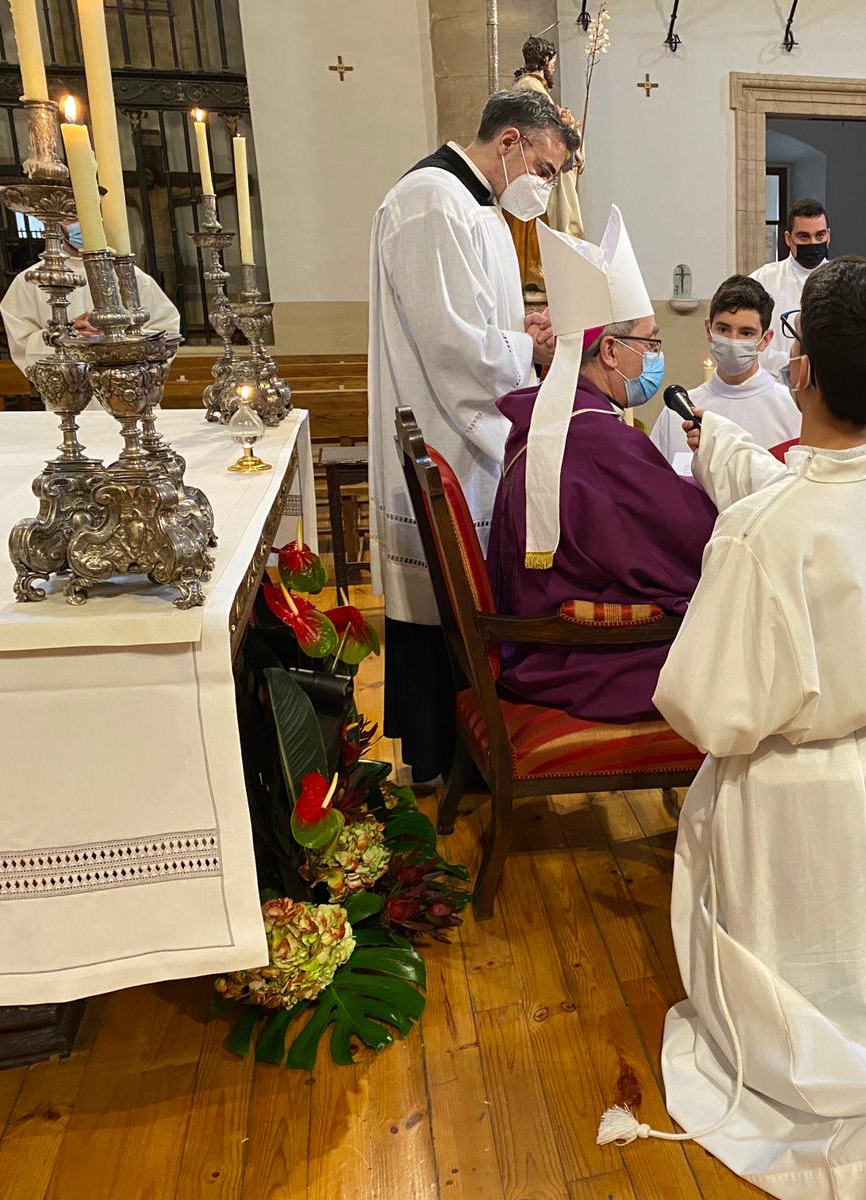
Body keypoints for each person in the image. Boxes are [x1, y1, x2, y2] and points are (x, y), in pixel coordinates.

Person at [610, 256, 866, 1200]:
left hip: (791, 789)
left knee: (793, 991)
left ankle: (864, 1114)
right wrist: (714, 438)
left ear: (796, 369)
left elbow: (707, 707)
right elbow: (805, 493)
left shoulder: (763, 532)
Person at [367, 88, 577, 785]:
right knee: (441, 604)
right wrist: (528, 353)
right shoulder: (432, 200)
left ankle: (470, 751)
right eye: (544, 170)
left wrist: (525, 334)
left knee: (461, 603)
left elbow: (481, 321)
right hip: (443, 427)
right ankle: (438, 760)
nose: (544, 188)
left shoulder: (478, 208)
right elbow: (451, 342)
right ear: (509, 141)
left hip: (465, 428)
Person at [488, 207, 717, 722]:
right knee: (744, 647)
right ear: (610, 351)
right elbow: (687, 540)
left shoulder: (555, 415)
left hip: (544, 634)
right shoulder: (596, 438)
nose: (657, 354)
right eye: (651, 341)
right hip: (579, 654)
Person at [648, 275, 798, 471]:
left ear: (766, 339)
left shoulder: (793, 408)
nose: (733, 340)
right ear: (709, 330)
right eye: (724, 329)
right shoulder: (677, 413)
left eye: (746, 333)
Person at [0, 221, 179, 377]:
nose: (82, 223)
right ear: (55, 222)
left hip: (129, 386)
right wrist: (68, 335)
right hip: (68, 388)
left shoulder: (131, 276)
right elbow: (22, 344)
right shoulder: (33, 280)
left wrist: (118, 338)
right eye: (72, 217)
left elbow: (165, 330)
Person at [511, 35, 585, 240]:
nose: (553, 67)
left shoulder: (530, 85)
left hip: (543, 170)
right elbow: (547, 134)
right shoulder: (531, 87)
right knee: (562, 230)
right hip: (546, 171)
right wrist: (571, 132)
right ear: (544, 60)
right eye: (553, 62)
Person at [750, 198, 830, 379]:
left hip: (828, 386)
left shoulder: (845, 283)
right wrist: (792, 364)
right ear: (788, 238)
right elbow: (748, 338)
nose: (812, 243)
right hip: (774, 383)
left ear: (829, 236)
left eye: (820, 235)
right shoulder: (762, 280)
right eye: (804, 236)